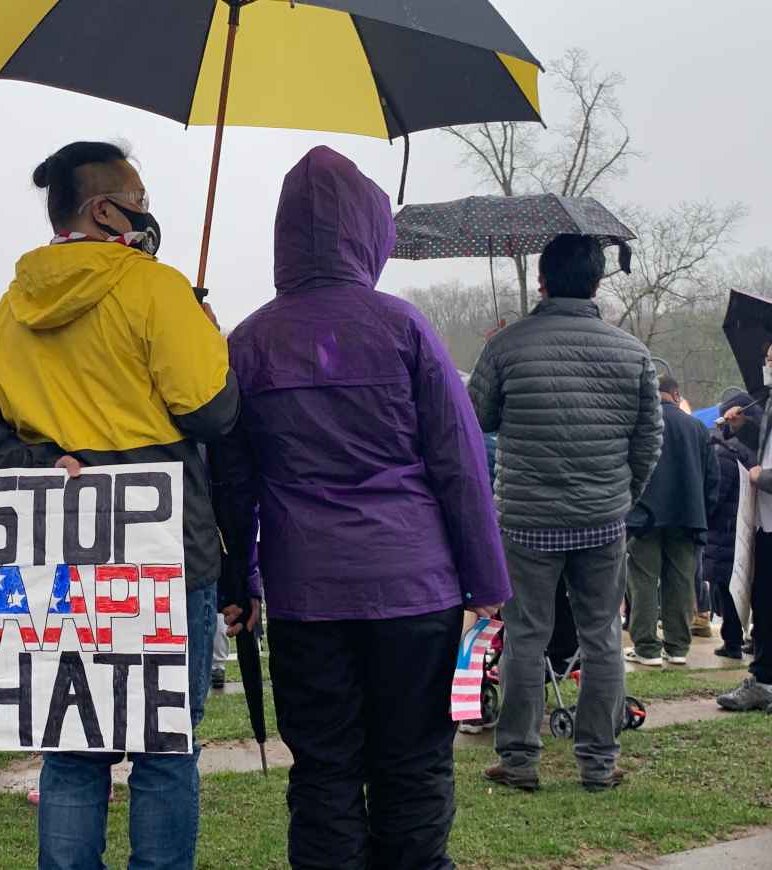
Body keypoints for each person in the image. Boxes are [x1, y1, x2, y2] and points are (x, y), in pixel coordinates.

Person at [0, 140, 237, 869]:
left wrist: (37, 463)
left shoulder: (13, 308)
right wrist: (199, 329)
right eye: (138, 195)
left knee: (73, 751)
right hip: (163, 549)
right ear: (107, 208)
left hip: (56, 558)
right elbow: (214, 412)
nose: (147, 209)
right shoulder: (157, 288)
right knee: (166, 749)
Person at [213, 146, 510, 870]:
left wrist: (238, 580)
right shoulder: (404, 327)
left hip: (307, 595)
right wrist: (490, 586)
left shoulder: (247, 342)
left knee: (323, 770)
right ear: (369, 232)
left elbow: (232, 481)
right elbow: (461, 465)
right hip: (416, 589)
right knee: (412, 763)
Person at [470, 233, 663, 792]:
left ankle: (520, 760)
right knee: (602, 637)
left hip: (527, 517)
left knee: (526, 635)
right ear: (598, 283)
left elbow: (477, 417)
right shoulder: (633, 352)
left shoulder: (507, 346)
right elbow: (648, 441)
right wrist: (622, 493)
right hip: (602, 518)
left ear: (542, 281)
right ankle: (598, 763)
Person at [624, 376, 719, 667]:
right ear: (676, 394)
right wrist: (704, 513)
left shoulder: (640, 425)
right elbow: (712, 478)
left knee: (643, 582)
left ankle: (647, 647)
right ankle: (678, 646)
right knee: (680, 583)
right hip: (688, 516)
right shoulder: (697, 428)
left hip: (645, 516)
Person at [718, 341, 772, 712]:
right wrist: (744, 428)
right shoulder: (767, 402)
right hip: (765, 521)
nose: (766, 365)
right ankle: (764, 676)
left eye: (771, 359)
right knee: (764, 601)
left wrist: (762, 476)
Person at [706, 393, 760, 660]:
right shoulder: (752, 449)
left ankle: (732, 641)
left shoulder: (723, 453)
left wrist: (707, 516)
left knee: (727, 586)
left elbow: (717, 494)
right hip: (747, 523)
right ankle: (755, 636)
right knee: (749, 584)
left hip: (724, 530)